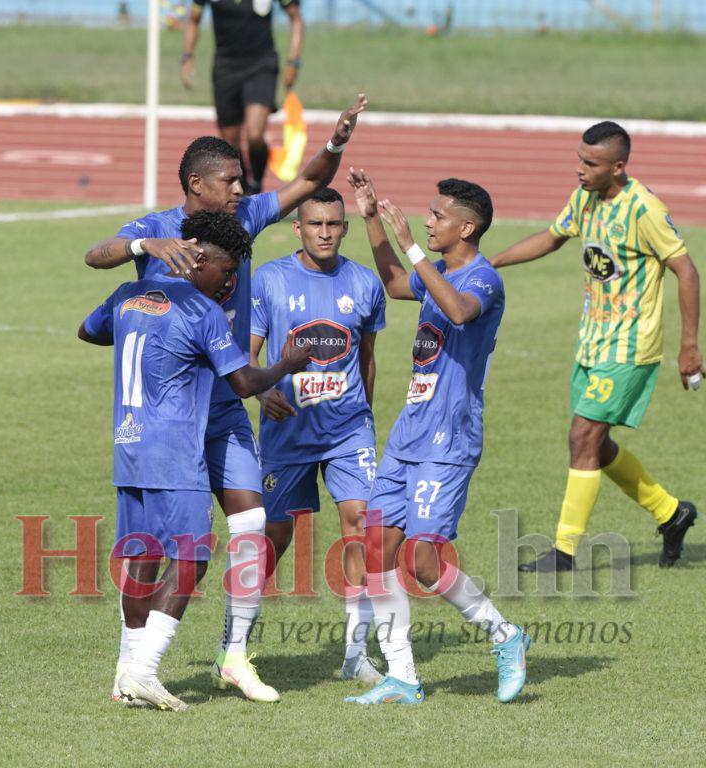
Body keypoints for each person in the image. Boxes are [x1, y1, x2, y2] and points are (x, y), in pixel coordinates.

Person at [86, 93, 367, 704]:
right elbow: (95, 255)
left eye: (241, 181)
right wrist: (146, 249)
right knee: (158, 546)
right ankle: (132, 665)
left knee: (250, 523)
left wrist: (337, 141)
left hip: (225, 407)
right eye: (230, 181)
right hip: (168, 415)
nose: (241, 189)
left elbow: (310, 180)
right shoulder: (156, 228)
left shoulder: (242, 222)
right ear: (196, 184)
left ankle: (234, 654)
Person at [79, 210, 310, 711]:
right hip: (174, 452)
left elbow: (88, 330)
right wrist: (288, 363)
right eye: (226, 272)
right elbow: (244, 383)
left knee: (141, 558)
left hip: (128, 447)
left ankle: (125, 673)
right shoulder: (202, 311)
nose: (230, 284)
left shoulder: (126, 297)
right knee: (192, 557)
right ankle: (143, 670)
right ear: (198, 258)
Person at [343, 169, 531, 705]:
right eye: (426, 216)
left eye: (437, 216)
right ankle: (403, 676)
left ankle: (506, 635)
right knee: (378, 550)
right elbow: (396, 282)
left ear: (467, 227)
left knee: (425, 562)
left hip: (449, 441)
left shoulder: (482, 280)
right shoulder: (441, 270)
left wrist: (409, 244)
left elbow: (457, 311)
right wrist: (372, 219)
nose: (427, 223)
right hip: (409, 435)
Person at [490, 121, 702, 572]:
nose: (580, 170)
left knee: (582, 436)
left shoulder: (644, 209)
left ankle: (564, 552)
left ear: (618, 166)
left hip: (630, 348)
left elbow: (686, 271)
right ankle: (671, 513)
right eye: (579, 160)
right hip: (591, 343)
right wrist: (491, 263)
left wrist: (688, 347)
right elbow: (551, 238)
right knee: (597, 447)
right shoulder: (584, 198)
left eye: (591, 164)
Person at [249, 187, 386, 685]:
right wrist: (262, 394)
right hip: (288, 428)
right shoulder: (269, 280)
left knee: (361, 521)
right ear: (298, 228)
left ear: (344, 228)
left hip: (349, 429)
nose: (325, 233)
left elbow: (366, 357)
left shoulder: (365, 284)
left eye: (333, 224)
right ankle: (235, 642)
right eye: (315, 224)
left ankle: (356, 652)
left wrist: (366, 416)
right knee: (275, 536)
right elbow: (245, 356)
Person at [181, 0, 304, 193]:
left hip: (262, 65)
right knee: (230, 143)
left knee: (255, 135)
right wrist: (187, 56)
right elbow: (194, 19)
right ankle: (244, 187)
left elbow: (295, 18)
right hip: (225, 68)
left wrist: (294, 61)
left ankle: (256, 186)